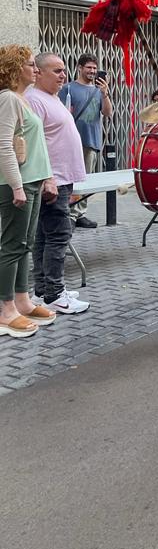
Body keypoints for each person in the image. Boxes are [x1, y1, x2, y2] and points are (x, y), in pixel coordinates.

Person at [0, 46, 57, 338]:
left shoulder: (23, 99)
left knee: (25, 243)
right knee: (12, 245)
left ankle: (21, 300)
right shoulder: (9, 98)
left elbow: (37, 145)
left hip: (31, 180)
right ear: (13, 68)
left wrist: (46, 177)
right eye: (30, 64)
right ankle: (5, 308)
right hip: (17, 183)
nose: (35, 69)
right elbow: (4, 146)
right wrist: (16, 186)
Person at [27, 53, 90, 314]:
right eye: (56, 71)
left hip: (63, 178)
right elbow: (34, 143)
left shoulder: (51, 97)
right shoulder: (33, 99)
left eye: (64, 70)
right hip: (53, 179)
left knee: (45, 234)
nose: (62, 75)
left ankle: (43, 290)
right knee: (59, 234)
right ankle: (55, 293)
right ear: (39, 73)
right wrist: (47, 178)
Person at [60, 52, 113, 229]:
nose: (92, 71)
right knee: (70, 179)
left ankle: (80, 213)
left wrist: (105, 94)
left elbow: (107, 113)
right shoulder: (68, 89)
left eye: (94, 68)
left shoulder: (99, 90)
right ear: (80, 68)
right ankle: (69, 213)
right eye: (89, 68)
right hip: (71, 141)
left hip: (91, 140)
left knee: (85, 178)